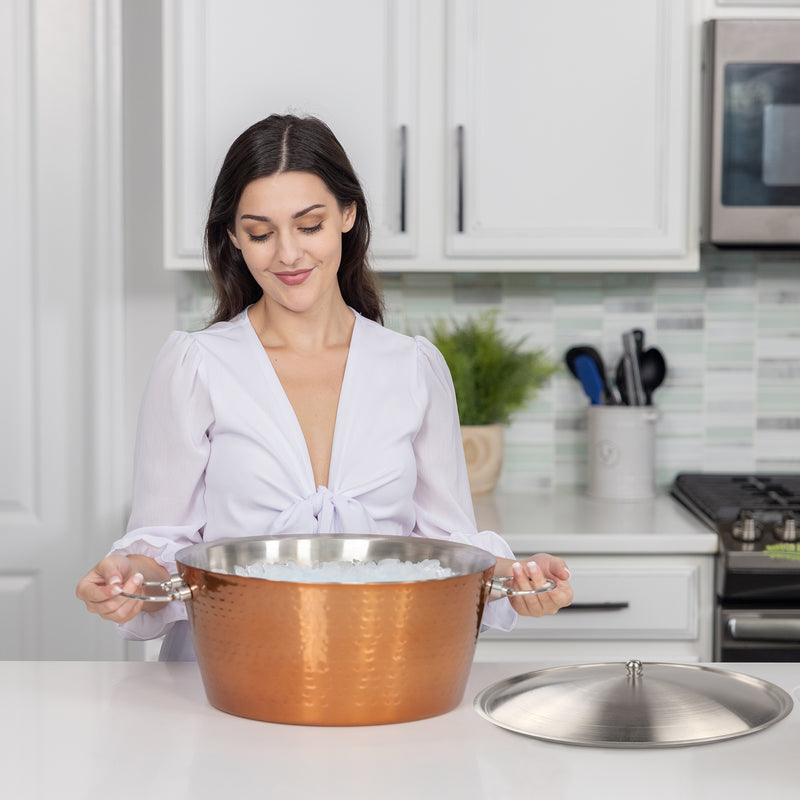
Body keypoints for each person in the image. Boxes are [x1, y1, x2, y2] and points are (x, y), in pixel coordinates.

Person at [76, 114, 573, 660]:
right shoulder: (196, 366)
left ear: (347, 214)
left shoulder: (412, 368)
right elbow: (164, 545)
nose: (288, 254)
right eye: (261, 233)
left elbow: (447, 551)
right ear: (235, 238)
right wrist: (128, 577)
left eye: (308, 225)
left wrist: (519, 577)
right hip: (225, 678)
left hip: (375, 673)